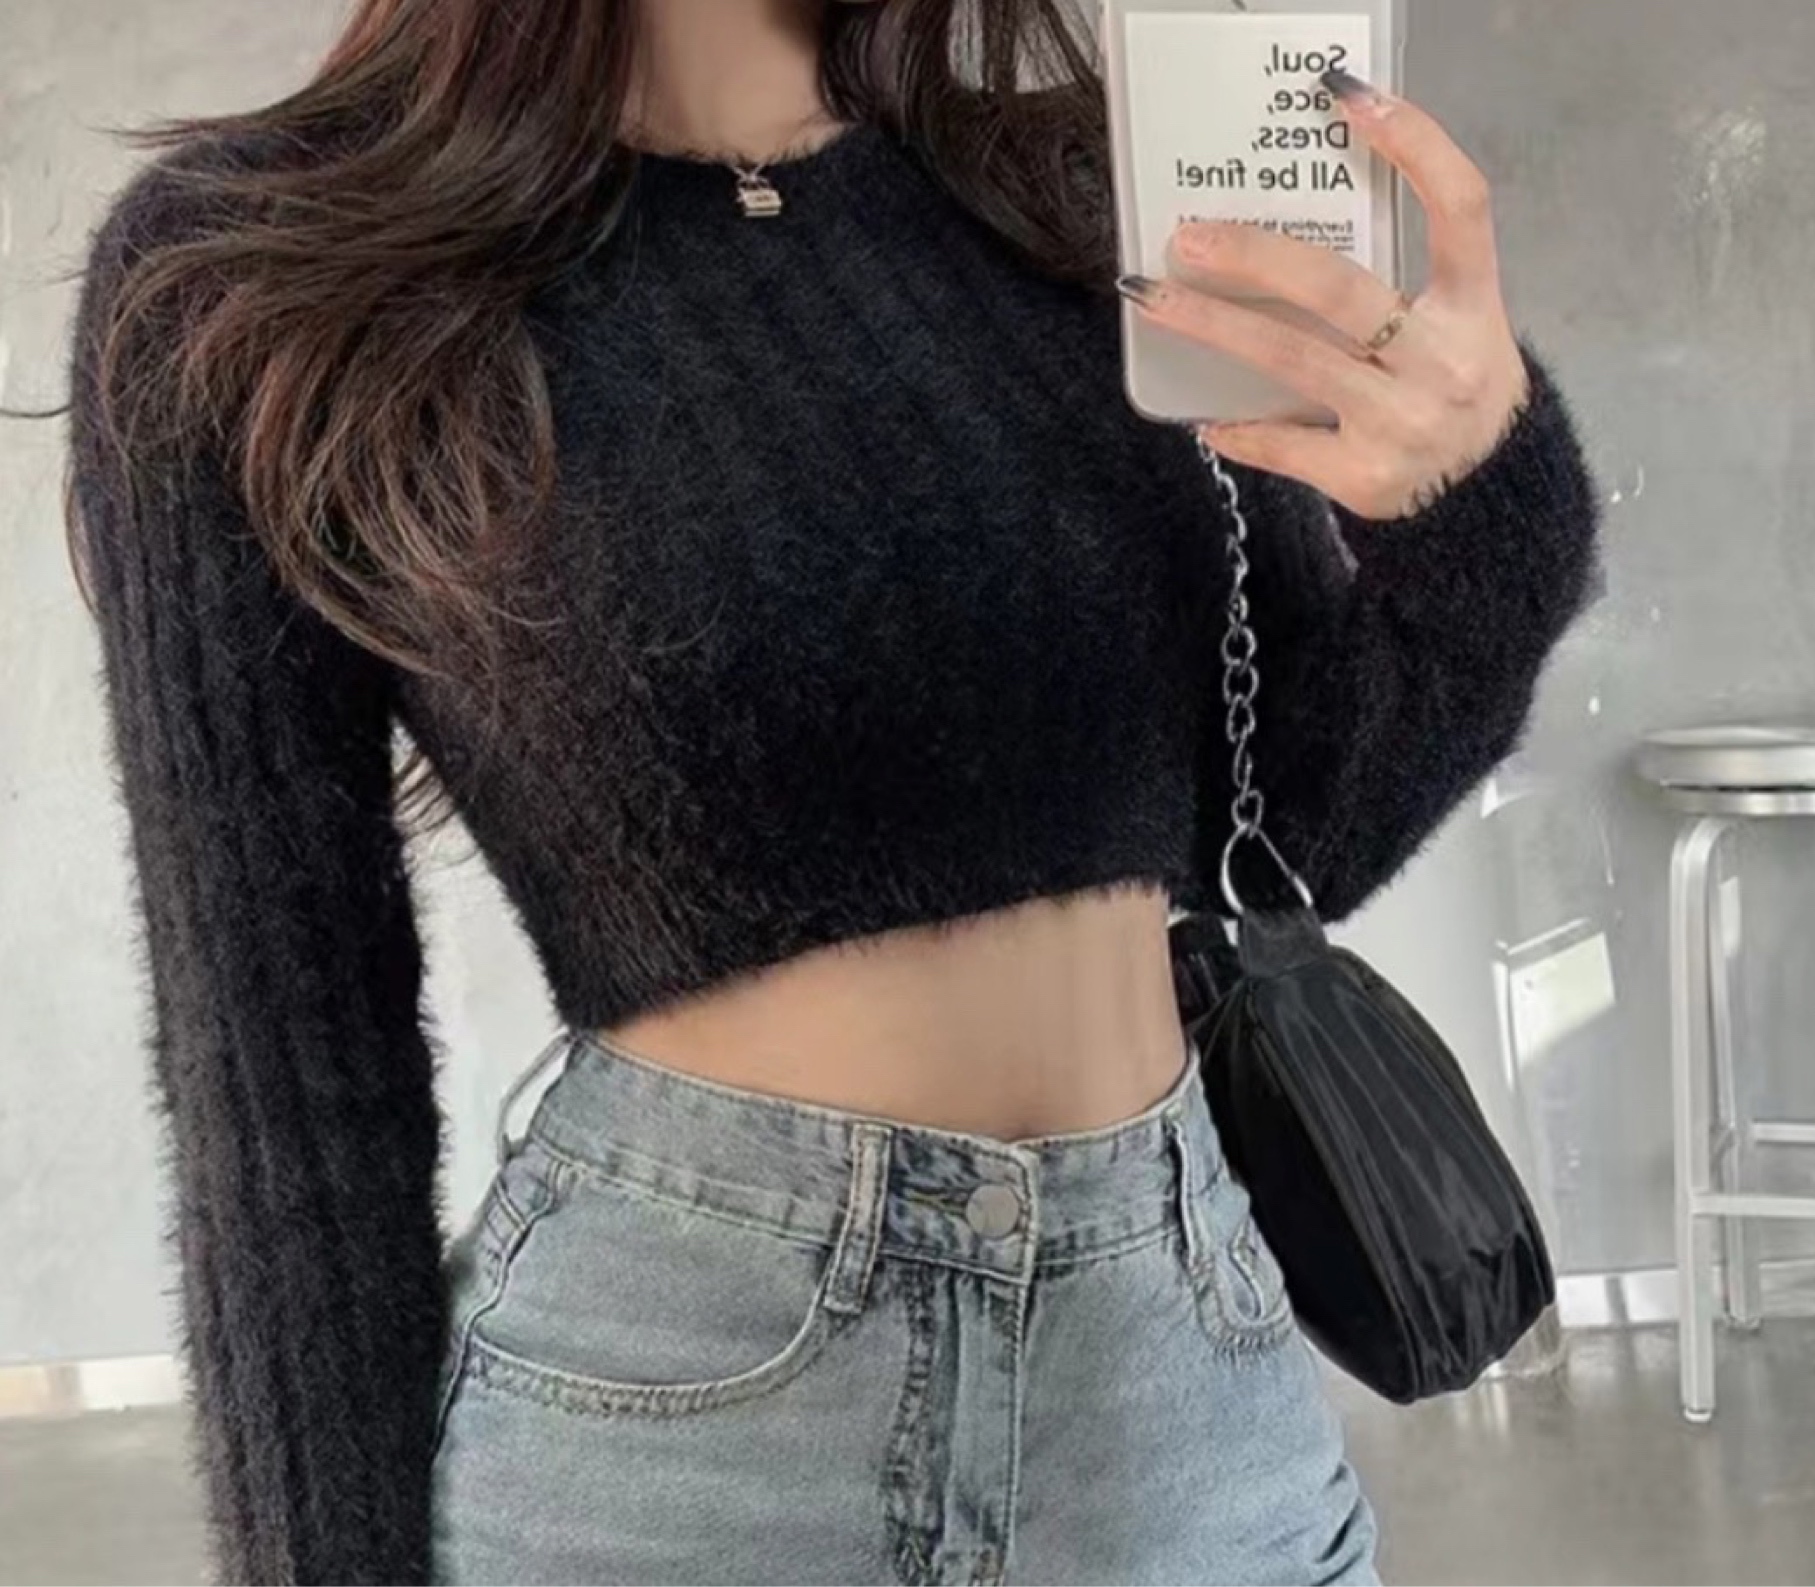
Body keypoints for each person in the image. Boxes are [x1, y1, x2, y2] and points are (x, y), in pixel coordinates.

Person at [65, 0, 1599, 1581]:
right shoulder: (259, 266)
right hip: (675, 1435)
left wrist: (1488, 485)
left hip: (1180, 1397)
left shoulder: (1090, 197)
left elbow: (1305, 830)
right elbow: (289, 1072)